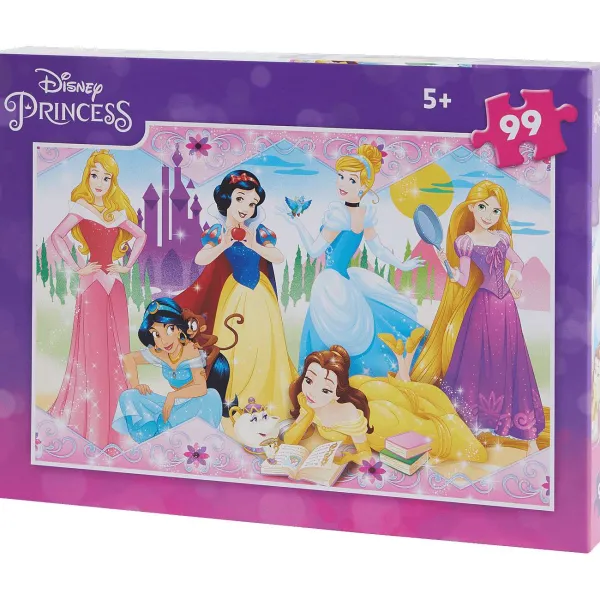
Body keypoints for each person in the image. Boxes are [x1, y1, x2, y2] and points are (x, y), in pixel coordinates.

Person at [412, 180, 545, 452]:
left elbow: (518, 262)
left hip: (505, 307)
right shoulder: (465, 242)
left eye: (495, 211)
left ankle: (525, 433)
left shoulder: (501, 238)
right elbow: (462, 279)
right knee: (478, 360)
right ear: (472, 207)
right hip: (483, 306)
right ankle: (474, 426)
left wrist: (511, 282)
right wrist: (446, 265)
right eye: (483, 207)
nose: (489, 215)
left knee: (511, 359)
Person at [282, 143, 426, 378]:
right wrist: (401, 264)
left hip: (332, 283)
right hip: (345, 279)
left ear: (363, 186)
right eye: (341, 176)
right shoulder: (363, 214)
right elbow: (377, 248)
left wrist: (297, 223)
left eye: (351, 180)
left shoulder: (338, 215)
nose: (343, 184)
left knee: (330, 331)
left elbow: (314, 250)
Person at [174, 170, 295, 419]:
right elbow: (200, 258)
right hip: (235, 295)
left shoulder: (258, 231)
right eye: (240, 199)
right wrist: (223, 245)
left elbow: (278, 257)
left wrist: (254, 245)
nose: (246, 208)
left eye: (252, 203)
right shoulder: (218, 231)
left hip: (260, 295)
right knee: (233, 343)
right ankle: (234, 395)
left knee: (263, 342)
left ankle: (264, 397)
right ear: (226, 198)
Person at [48, 150, 146, 448]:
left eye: (106, 177)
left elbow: (141, 236)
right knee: (92, 351)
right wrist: (77, 267)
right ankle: (92, 421)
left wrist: (127, 265)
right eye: (95, 175)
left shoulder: (116, 213)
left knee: (119, 348)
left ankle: (118, 421)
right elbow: (56, 236)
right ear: (87, 176)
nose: (100, 182)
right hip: (91, 284)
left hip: (114, 284)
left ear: (113, 181)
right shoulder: (81, 208)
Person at [113, 298, 223, 443]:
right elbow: (128, 358)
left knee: (211, 396)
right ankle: (152, 435)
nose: (164, 341)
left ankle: (170, 431)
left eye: (170, 329)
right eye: (156, 334)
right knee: (128, 396)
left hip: (192, 404)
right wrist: (136, 385)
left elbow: (201, 388)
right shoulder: (159, 351)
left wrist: (173, 396)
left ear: (179, 328)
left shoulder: (190, 350)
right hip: (168, 405)